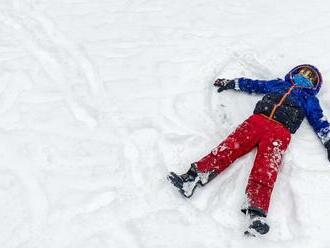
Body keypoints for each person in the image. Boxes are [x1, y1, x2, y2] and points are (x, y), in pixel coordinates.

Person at [168, 64, 330, 236]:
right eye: (302, 72)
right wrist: (232, 83)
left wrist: (328, 141)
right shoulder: (278, 84)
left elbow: (319, 120)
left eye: (309, 77)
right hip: (256, 122)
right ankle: (193, 177)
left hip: (280, 132)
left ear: (314, 85)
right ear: (293, 74)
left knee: (266, 167)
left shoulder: (310, 100)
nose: (304, 77)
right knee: (229, 146)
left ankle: (256, 215)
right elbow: (255, 85)